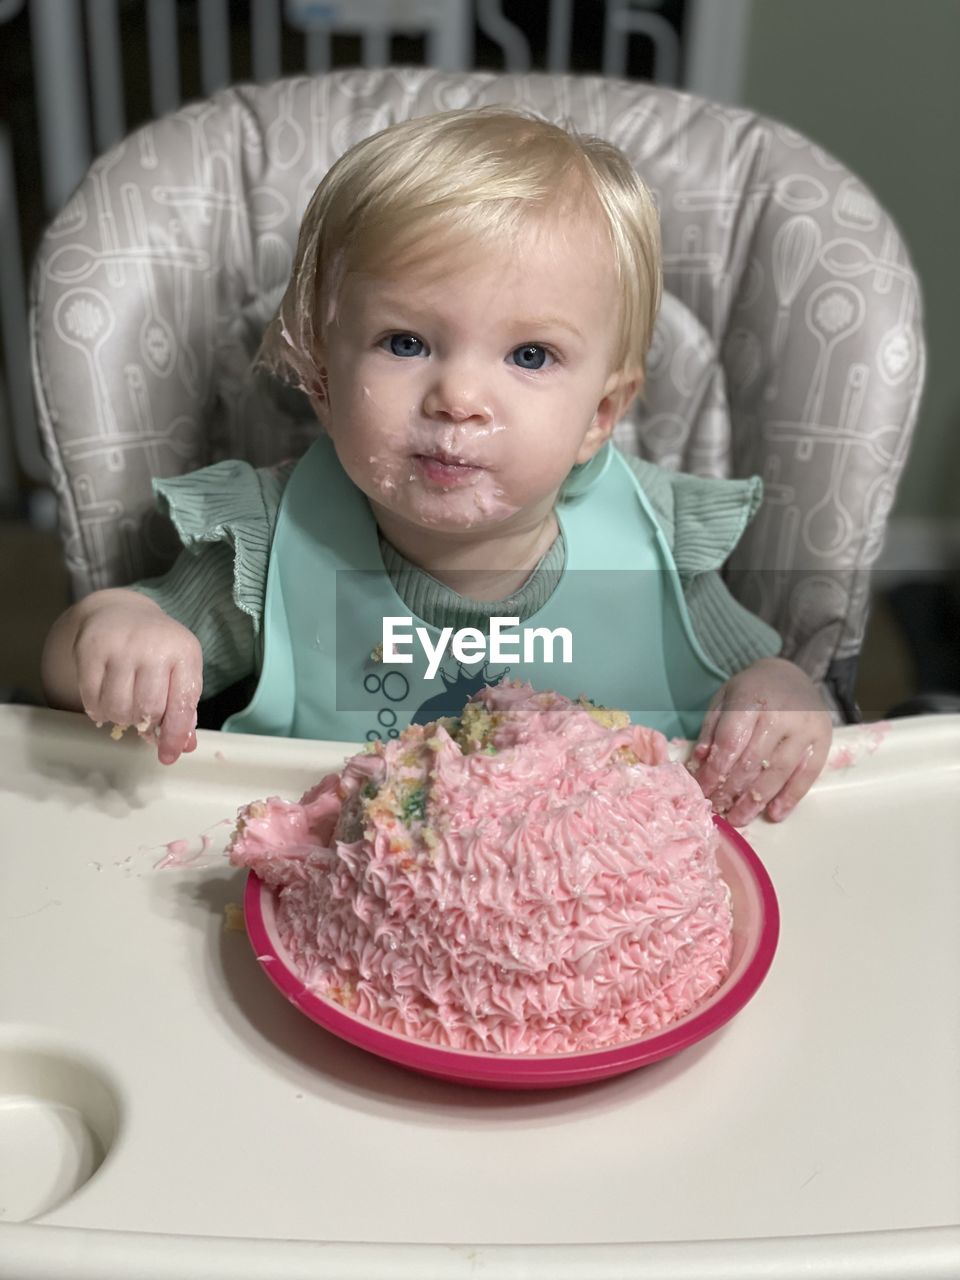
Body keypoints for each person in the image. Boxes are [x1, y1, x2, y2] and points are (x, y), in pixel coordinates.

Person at [41, 107, 832, 827]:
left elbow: (772, 687)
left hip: (600, 921)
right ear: (320, 377)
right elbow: (78, 680)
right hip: (346, 911)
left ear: (600, 415)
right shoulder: (270, 547)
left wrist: (782, 698)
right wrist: (113, 634)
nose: (458, 397)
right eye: (405, 342)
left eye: (531, 354)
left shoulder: (653, 546)